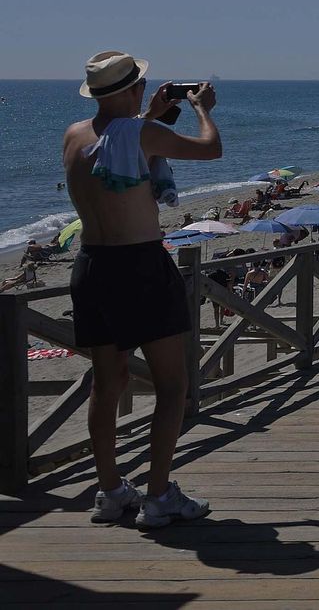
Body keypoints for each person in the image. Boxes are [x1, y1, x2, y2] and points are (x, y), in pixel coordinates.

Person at [61, 52, 218, 528]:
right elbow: (210, 149)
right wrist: (202, 109)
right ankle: (158, 497)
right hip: (141, 265)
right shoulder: (141, 133)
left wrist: (149, 115)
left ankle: (109, 492)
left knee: (106, 384)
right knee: (173, 386)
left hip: (92, 265)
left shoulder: (74, 135)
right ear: (131, 91)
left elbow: (119, 146)